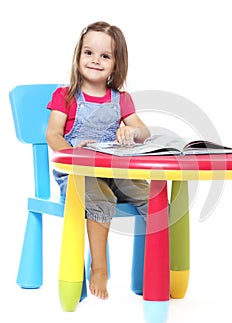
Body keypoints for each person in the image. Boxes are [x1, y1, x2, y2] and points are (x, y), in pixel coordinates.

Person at [46, 21, 150, 300]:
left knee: (152, 195)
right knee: (99, 195)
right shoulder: (66, 96)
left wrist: (132, 131)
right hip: (79, 175)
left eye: (105, 56)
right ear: (78, 56)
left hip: (116, 172)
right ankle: (100, 267)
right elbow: (53, 134)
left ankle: (156, 267)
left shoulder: (121, 99)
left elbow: (145, 133)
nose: (95, 60)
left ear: (116, 65)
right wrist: (71, 155)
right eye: (89, 53)